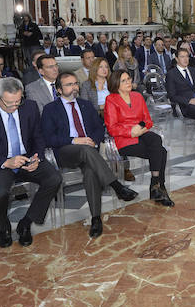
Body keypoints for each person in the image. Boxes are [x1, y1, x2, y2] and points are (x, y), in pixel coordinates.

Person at [41, 71, 137, 238]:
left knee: (91, 171)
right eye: (69, 85)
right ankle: (116, 186)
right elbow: (48, 138)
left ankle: (95, 219)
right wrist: (74, 140)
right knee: (86, 150)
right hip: (66, 151)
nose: (74, 88)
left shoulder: (85, 105)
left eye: (75, 84)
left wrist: (93, 139)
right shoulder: (50, 109)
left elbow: (99, 127)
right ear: (59, 90)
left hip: (89, 150)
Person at [0, 77, 62, 247]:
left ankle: (26, 223)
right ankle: (4, 225)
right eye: (9, 103)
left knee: (54, 178)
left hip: (26, 157)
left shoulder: (30, 107)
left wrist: (37, 156)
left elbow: (37, 136)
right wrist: (5, 162)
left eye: (18, 102)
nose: (14, 107)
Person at [105, 70, 173, 206]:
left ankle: (156, 185)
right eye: (123, 80)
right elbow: (112, 128)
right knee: (161, 152)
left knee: (156, 139)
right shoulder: (111, 100)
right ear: (116, 84)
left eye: (129, 79)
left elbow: (148, 120)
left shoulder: (137, 96)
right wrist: (130, 132)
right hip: (124, 139)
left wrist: (140, 128)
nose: (128, 82)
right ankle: (159, 188)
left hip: (141, 132)